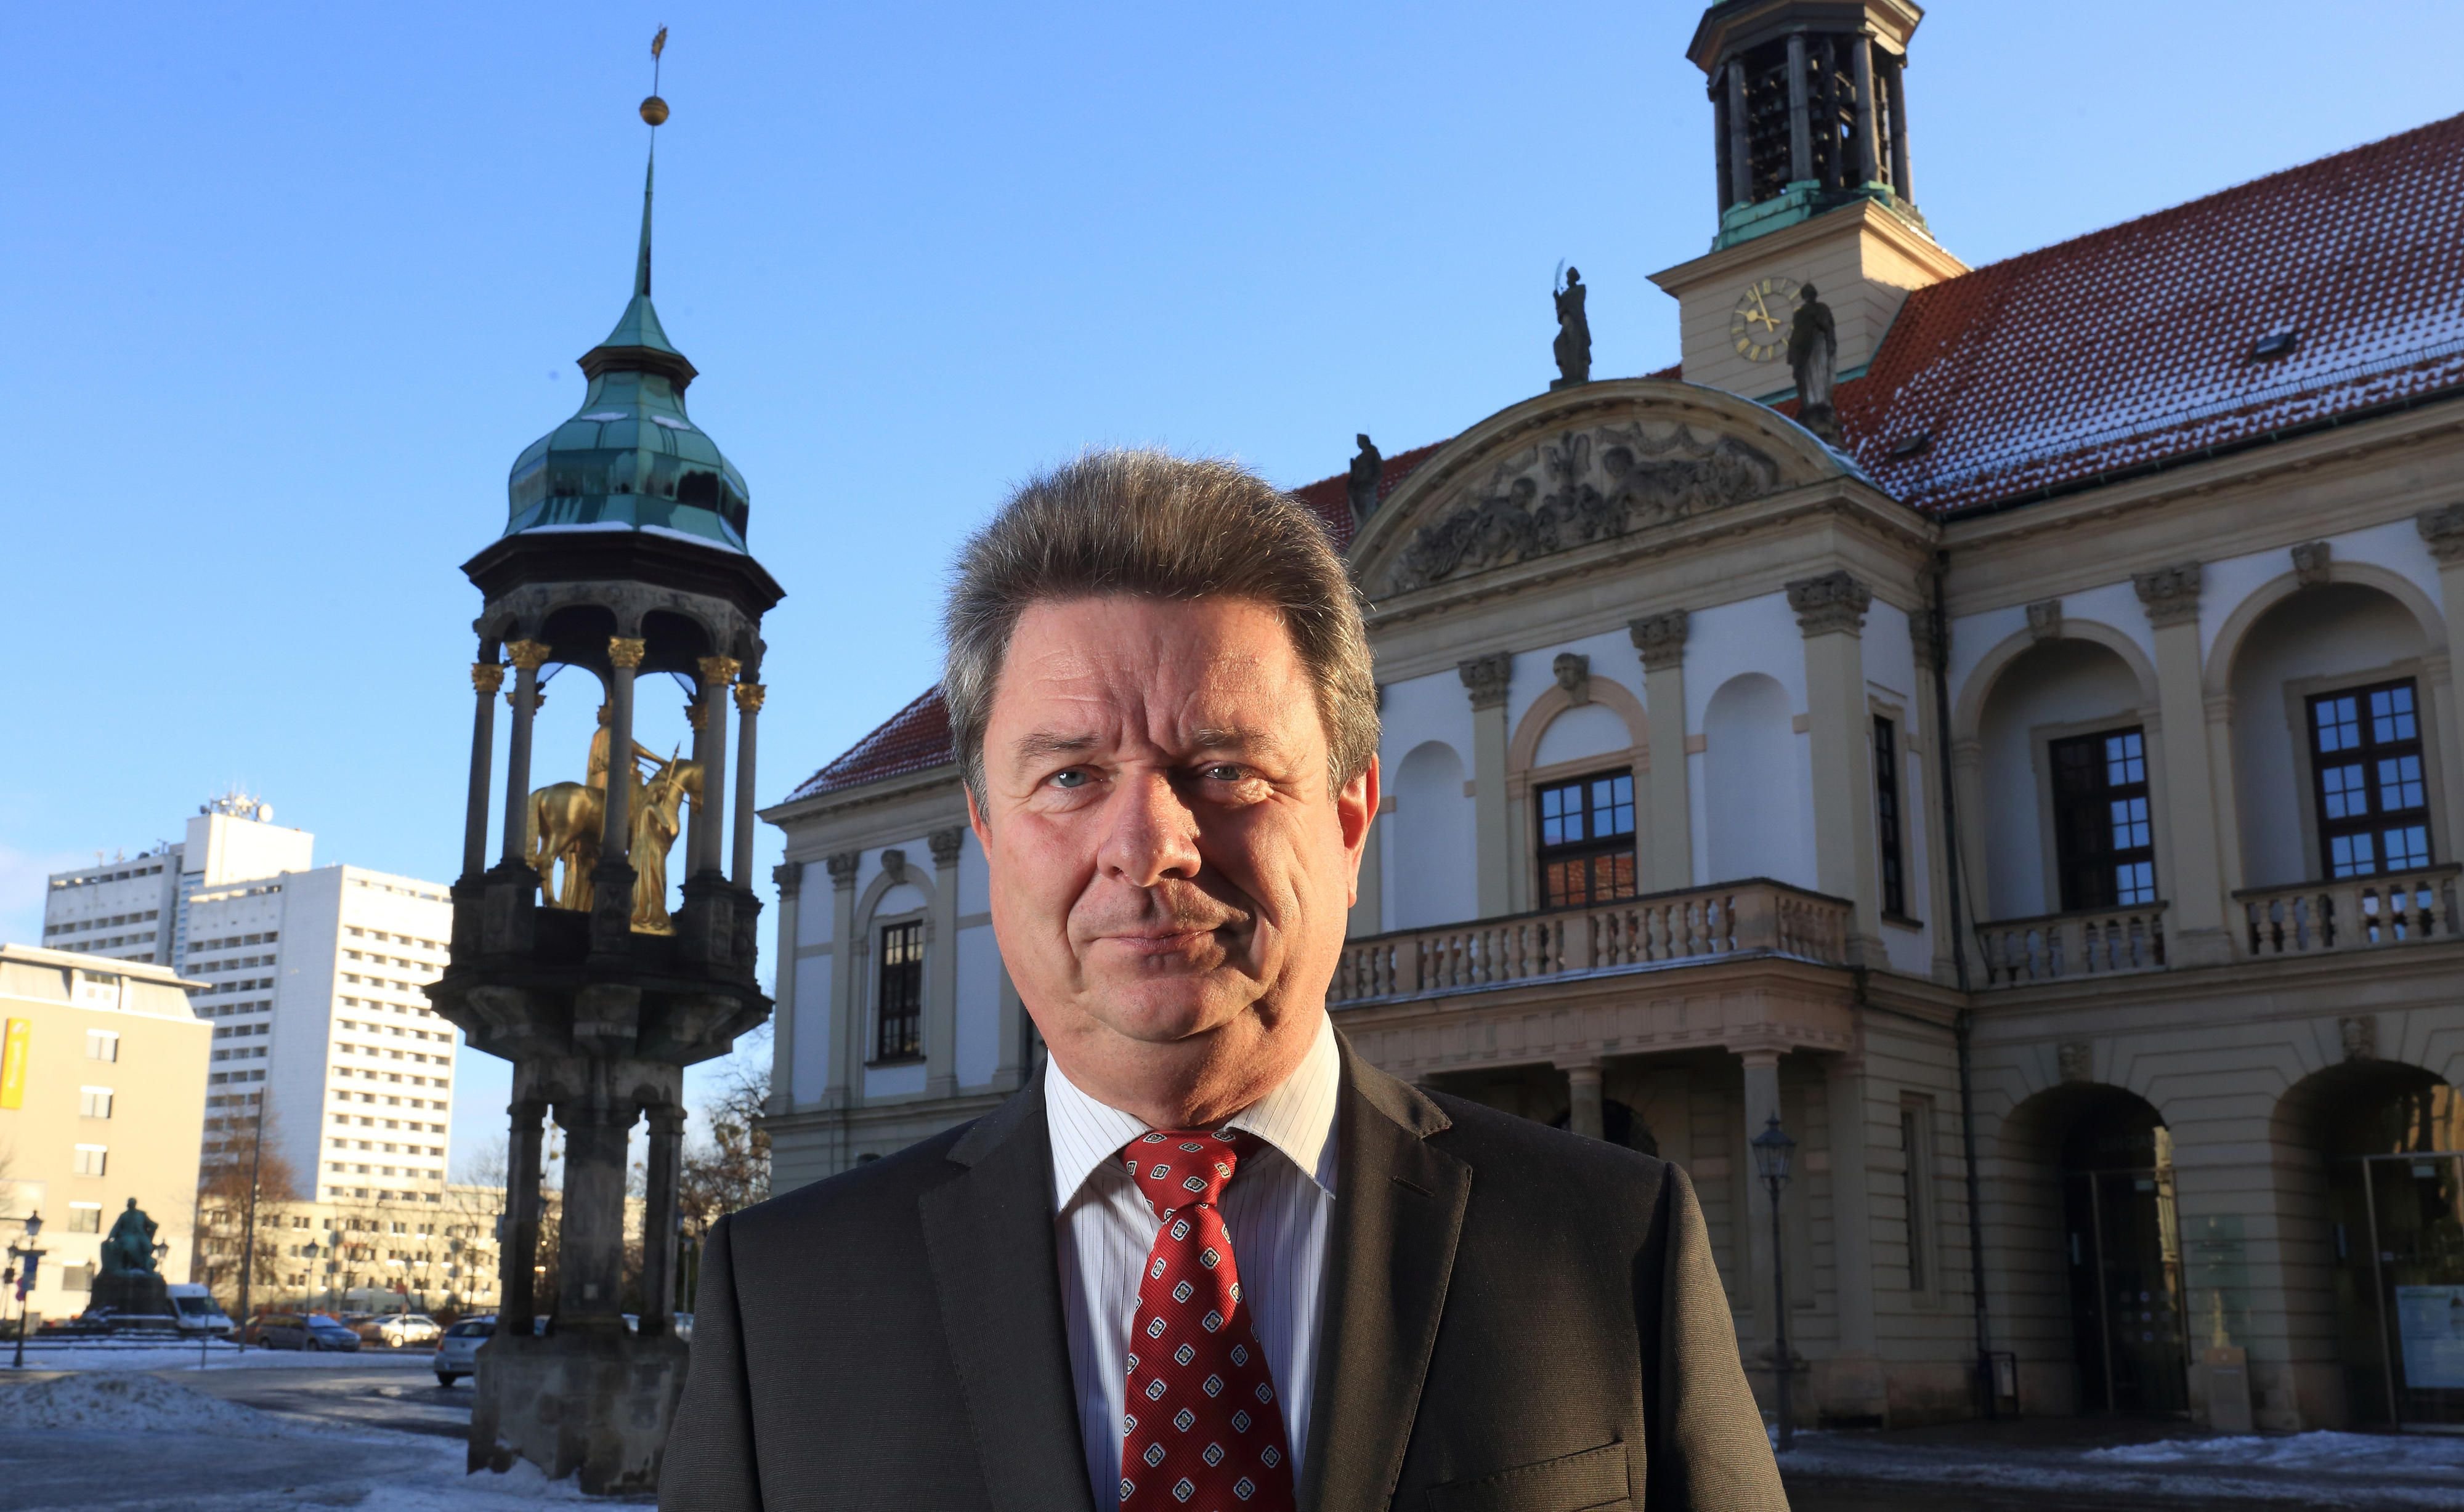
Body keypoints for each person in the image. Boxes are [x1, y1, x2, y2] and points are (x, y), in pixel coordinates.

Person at [661, 451, 1785, 1511]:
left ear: (1349, 819)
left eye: (1223, 768)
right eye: (1071, 776)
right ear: (989, 835)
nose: (1149, 846)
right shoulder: (786, 1298)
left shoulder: (1616, 1242)